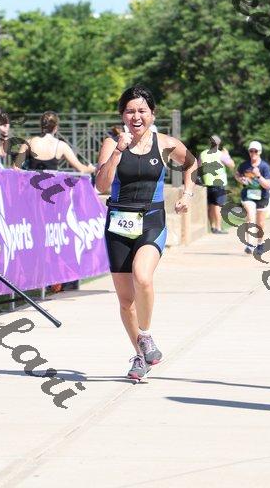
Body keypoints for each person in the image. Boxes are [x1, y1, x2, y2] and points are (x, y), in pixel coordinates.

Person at [96, 85, 197, 381]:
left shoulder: (165, 143)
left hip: (151, 221)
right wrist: (118, 151)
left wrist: (187, 194)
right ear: (122, 115)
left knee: (143, 276)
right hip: (118, 225)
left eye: (142, 111)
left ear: (152, 114)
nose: (136, 117)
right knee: (126, 302)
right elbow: (101, 185)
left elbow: (192, 164)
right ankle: (140, 355)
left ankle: (146, 334)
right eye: (130, 111)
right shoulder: (111, 143)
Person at [13, 111, 96, 173]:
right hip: (52, 189)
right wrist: (91, 169)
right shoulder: (61, 146)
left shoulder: (29, 143)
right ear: (56, 128)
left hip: (32, 188)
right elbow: (81, 169)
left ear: (41, 126)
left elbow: (15, 169)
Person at [235, 140, 270, 256]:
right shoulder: (244, 165)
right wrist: (240, 179)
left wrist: (258, 175)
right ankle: (250, 244)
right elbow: (237, 174)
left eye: (255, 151)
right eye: (251, 151)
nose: (253, 153)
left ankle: (260, 244)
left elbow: (268, 185)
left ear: (259, 152)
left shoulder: (264, 166)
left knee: (260, 223)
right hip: (248, 195)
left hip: (262, 196)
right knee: (250, 217)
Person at [198, 134, 235, 234]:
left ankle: (212, 227)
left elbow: (198, 166)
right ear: (219, 143)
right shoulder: (220, 154)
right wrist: (227, 155)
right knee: (218, 206)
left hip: (207, 183)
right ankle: (218, 228)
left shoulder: (203, 154)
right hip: (219, 183)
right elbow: (232, 165)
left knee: (211, 206)